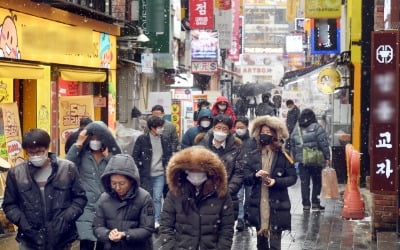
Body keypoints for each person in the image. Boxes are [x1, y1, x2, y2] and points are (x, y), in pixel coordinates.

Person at [2, 129, 87, 249]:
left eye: (40, 152)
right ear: (26, 152)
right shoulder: (16, 173)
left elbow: (80, 198)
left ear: (47, 148)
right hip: (29, 239)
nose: (36, 156)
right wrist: (23, 223)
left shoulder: (67, 168)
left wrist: (65, 219)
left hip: (61, 238)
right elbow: (9, 204)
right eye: (31, 153)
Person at [159, 146, 234, 249]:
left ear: (208, 172)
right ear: (185, 171)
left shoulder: (220, 194)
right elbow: (166, 226)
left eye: (200, 170)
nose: (196, 174)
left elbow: (227, 229)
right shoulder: (176, 193)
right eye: (192, 170)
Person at [242, 116, 297, 250]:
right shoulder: (253, 155)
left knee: (275, 244)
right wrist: (255, 176)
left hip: (277, 204)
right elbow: (245, 178)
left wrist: (276, 181)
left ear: (275, 134)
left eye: (268, 132)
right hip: (258, 204)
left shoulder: (283, 156)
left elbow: (292, 178)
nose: (265, 135)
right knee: (261, 243)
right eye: (263, 132)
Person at [66, 121, 121, 250]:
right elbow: (67, 166)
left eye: (98, 138)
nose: (95, 141)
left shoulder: (111, 157)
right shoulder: (82, 155)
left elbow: (120, 172)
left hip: (106, 207)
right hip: (86, 206)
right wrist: (78, 144)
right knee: (86, 242)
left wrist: (108, 158)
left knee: (103, 242)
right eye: (92, 138)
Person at [93, 154, 154, 250]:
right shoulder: (103, 199)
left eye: (122, 183)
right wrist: (108, 234)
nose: (117, 187)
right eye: (113, 183)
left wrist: (125, 235)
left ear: (131, 181)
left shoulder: (144, 198)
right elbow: (97, 227)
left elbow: (147, 229)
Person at [195, 114, 243, 219]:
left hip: (227, 197)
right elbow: (195, 169)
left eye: (224, 129)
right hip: (204, 196)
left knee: (225, 230)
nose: (221, 131)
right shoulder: (201, 145)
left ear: (229, 131)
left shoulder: (236, 148)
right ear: (213, 128)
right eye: (218, 128)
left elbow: (239, 173)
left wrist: (227, 190)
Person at [132, 116, 173, 230]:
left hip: (160, 174)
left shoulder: (164, 140)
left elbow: (168, 156)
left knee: (157, 197)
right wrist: (140, 166)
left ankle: (156, 220)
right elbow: (135, 156)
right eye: (159, 127)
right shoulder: (142, 139)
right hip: (145, 174)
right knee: (146, 197)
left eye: (161, 127)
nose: (161, 129)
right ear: (152, 128)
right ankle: (145, 220)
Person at [290, 109, 331, 211]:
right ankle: (315, 203)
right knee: (317, 182)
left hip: (302, 161)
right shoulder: (317, 128)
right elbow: (323, 143)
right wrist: (327, 157)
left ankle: (306, 205)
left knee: (305, 184)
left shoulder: (297, 129)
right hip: (316, 161)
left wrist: (295, 158)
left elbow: (292, 144)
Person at [233, 116, 253, 231]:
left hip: (249, 173)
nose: (239, 129)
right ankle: (240, 219)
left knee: (249, 196)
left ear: (246, 127)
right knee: (239, 196)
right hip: (237, 173)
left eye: (242, 127)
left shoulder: (252, 141)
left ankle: (246, 215)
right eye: (237, 127)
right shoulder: (232, 140)